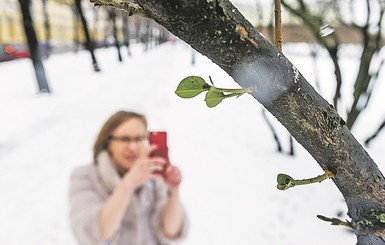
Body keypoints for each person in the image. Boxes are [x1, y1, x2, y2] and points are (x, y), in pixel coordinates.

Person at [69, 111, 187, 245]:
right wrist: (129, 183)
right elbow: (93, 234)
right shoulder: (85, 176)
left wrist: (173, 192)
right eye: (125, 139)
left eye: (139, 139)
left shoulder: (154, 176)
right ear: (109, 143)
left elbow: (171, 231)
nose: (133, 147)